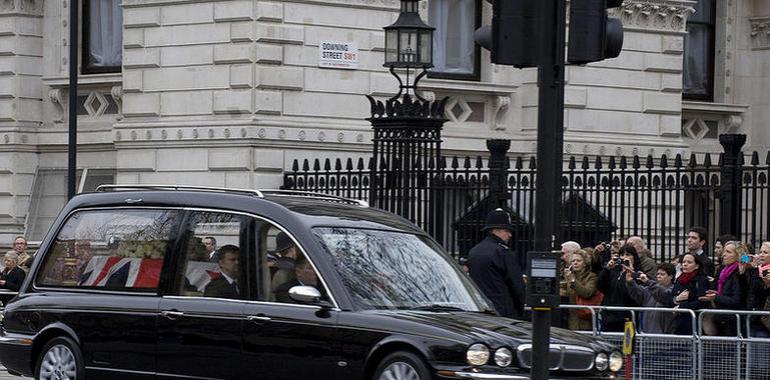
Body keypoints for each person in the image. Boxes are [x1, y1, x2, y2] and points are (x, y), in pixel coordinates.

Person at [467, 208, 526, 319]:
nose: (510, 235)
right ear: (497, 230)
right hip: (503, 311)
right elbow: (517, 287)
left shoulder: (474, 251)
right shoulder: (503, 253)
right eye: (507, 231)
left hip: (480, 309)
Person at [699, 241, 744, 336]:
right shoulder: (722, 270)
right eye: (724, 251)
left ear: (737, 255)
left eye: (728, 252)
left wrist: (716, 297)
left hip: (732, 321)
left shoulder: (740, 273)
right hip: (721, 317)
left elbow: (737, 300)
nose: (724, 255)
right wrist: (715, 294)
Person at [597, 244, 640, 332]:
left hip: (626, 316)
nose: (624, 257)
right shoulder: (613, 271)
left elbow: (636, 294)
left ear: (634, 257)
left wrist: (631, 271)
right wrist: (607, 269)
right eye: (622, 255)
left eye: (628, 255)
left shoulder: (638, 273)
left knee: (626, 345)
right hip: (609, 315)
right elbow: (600, 286)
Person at [626, 263, 676, 334]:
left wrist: (648, 282)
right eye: (658, 274)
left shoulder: (673, 290)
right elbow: (639, 294)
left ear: (671, 276)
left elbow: (662, 294)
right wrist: (630, 282)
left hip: (665, 333)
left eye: (662, 274)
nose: (659, 276)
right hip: (647, 331)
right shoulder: (651, 288)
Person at [667, 253, 709, 335]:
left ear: (697, 266)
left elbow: (702, 301)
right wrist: (677, 299)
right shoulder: (679, 279)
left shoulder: (701, 280)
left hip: (694, 322)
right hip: (678, 322)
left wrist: (682, 306)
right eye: (683, 262)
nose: (685, 264)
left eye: (689, 262)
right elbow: (671, 298)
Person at [563, 249, 599, 331]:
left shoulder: (591, 277)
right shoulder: (569, 276)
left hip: (585, 320)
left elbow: (587, 293)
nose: (575, 263)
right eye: (573, 261)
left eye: (578, 261)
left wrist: (572, 281)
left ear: (585, 263)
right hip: (570, 319)